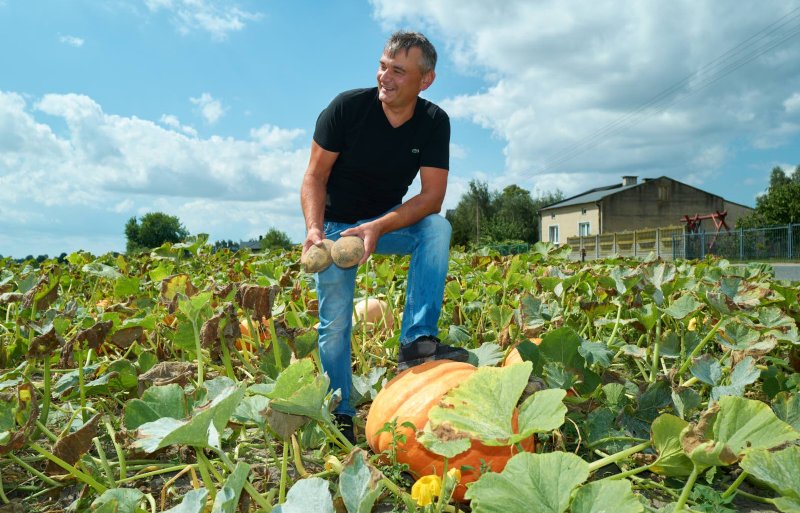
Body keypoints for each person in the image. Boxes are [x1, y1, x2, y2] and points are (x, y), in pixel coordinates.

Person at [300, 31, 469, 443]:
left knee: (437, 227)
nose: (384, 77)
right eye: (382, 66)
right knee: (335, 323)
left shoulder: (433, 122)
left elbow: (432, 197)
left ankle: (416, 342)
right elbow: (314, 176)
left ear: (424, 80)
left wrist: (377, 226)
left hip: (385, 222)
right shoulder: (346, 109)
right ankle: (340, 410)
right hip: (338, 227)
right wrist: (314, 229)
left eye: (397, 70)